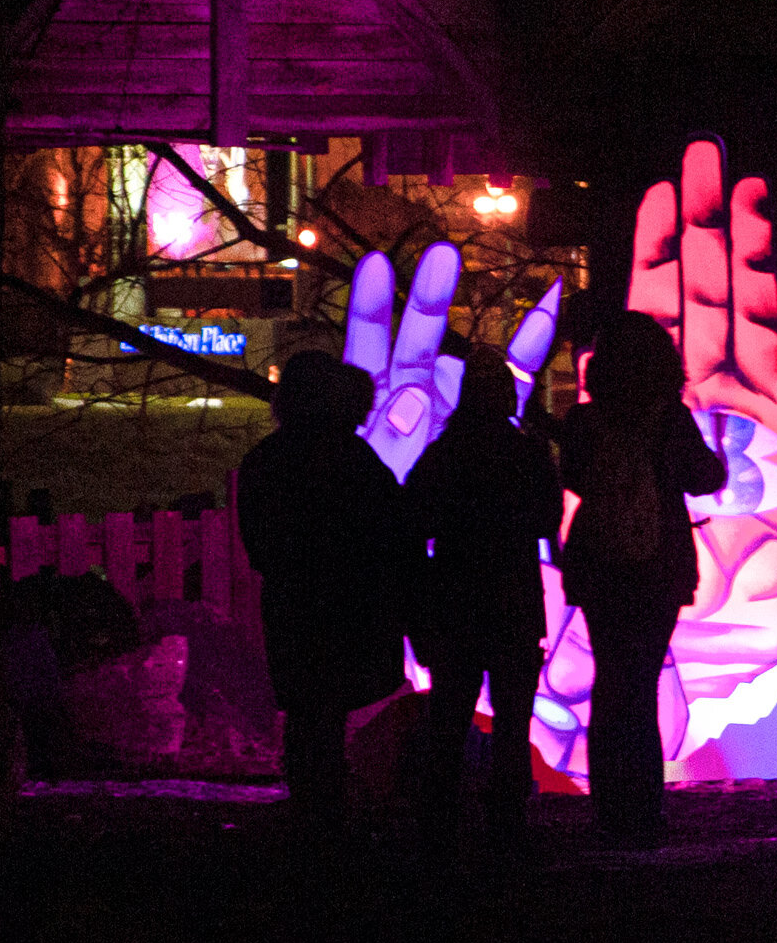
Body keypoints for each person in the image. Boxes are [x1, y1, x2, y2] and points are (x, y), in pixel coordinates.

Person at [560, 311, 726, 848]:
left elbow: (574, 478)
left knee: (610, 684)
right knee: (642, 684)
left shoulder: (584, 422)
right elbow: (706, 478)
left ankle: (608, 810)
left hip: (599, 565)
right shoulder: (669, 418)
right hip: (658, 565)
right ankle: (644, 811)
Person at [237, 351, 411, 837]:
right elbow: (391, 529)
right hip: (349, 604)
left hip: (294, 601)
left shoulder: (266, 461)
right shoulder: (352, 460)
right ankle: (325, 805)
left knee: (308, 709)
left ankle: (312, 801)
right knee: (328, 709)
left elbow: (258, 540)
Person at [406, 353, 562, 850]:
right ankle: (507, 822)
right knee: (514, 720)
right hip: (514, 598)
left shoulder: (443, 454)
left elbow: (417, 521)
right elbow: (544, 522)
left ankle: (438, 822)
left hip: (455, 597)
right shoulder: (528, 454)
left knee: (449, 716)